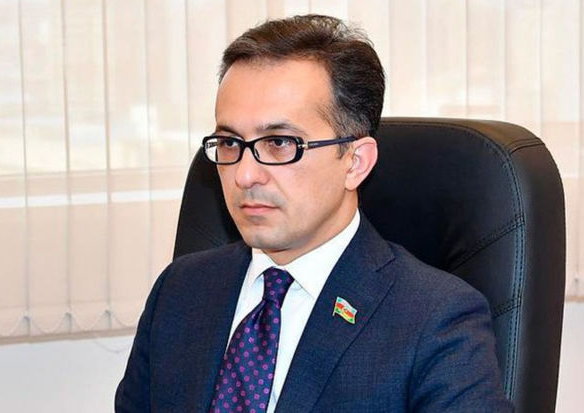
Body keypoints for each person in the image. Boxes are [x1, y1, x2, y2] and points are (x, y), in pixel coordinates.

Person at [115, 15, 512, 412]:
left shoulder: (435, 320)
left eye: (280, 143)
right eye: (230, 142)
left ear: (355, 162)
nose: (245, 175)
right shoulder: (180, 291)